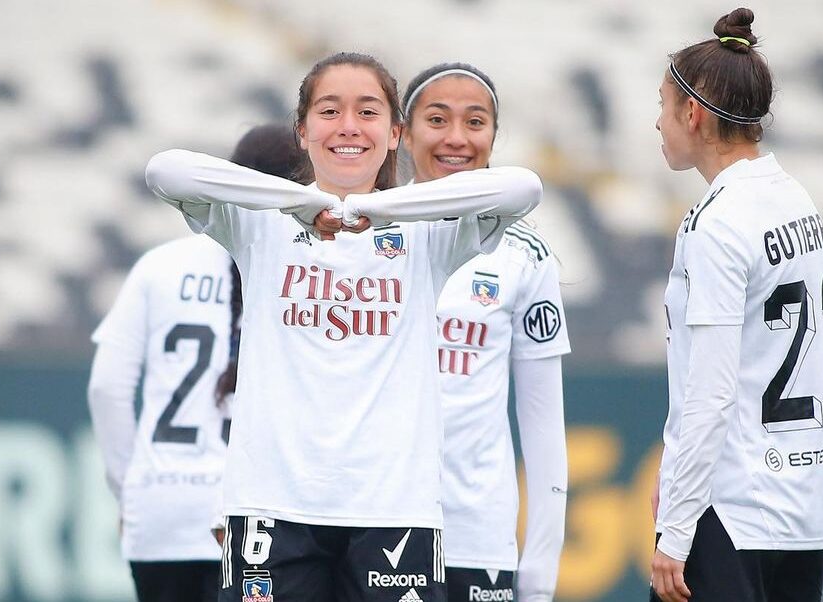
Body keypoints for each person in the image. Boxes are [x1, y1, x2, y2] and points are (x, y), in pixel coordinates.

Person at [143, 52, 542, 602]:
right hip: (271, 507)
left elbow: (522, 188)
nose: (349, 126)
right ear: (302, 131)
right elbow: (164, 170)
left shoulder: (429, 234)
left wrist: (380, 209)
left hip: (394, 509)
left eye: (369, 111)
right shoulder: (260, 224)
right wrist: (305, 202)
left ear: (396, 133)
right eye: (329, 111)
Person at [650, 8, 823, 602]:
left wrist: (675, 529)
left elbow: (712, 389)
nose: (657, 123)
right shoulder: (796, 198)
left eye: (662, 105)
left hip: (729, 512)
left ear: (693, 114)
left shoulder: (717, 222)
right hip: (806, 512)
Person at [87, 123, 302, 602]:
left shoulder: (159, 265)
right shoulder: (298, 274)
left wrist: (130, 489)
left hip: (161, 509)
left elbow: (107, 388)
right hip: (260, 516)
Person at [400, 63, 570, 602]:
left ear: (494, 136)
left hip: (478, 538)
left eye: (475, 122)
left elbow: (543, 424)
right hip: (375, 527)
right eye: (436, 119)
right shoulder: (361, 234)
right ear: (402, 134)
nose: (456, 138)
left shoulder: (526, 253)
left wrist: (540, 569)